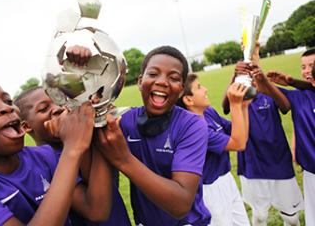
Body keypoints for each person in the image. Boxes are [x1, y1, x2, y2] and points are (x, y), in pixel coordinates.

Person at [0, 73, 99, 225]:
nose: (6, 108)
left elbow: (95, 210)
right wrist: (72, 149)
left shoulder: (45, 156)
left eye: (8, 101)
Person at [96, 46, 211, 225]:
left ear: (181, 89)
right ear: (140, 82)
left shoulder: (192, 125)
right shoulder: (125, 122)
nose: (162, 82)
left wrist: (124, 160)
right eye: (153, 74)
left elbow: (181, 205)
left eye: (173, 78)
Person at [14, 85, 131, 226]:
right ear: (26, 126)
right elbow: (95, 209)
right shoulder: (43, 164)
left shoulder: (89, 139)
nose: (58, 109)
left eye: (59, 102)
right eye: (43, 109)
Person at [222, 58, 304, 226]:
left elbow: (285, 107)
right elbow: (225, 106)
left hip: (278, 160)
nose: (248, 78)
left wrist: (264, 81)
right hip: (252, 162)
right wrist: (234, 74)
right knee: (259, 215)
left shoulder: (268, 92)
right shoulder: (238, 97)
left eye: (250, 74)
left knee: (292, 218)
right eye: (243, 75)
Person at [177, 73, 251, 226]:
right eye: (199, 87)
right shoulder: (193, 129)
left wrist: (243, 106)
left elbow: (238, 133)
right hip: (209, 189)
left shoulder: (208, 112)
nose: (205, 89)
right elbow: (238, 144)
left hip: (226, 179)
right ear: (188, 100)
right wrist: (235, 105)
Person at [255, 48, 315, 225]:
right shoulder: (300, 97)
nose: (307, 71)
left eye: (312, 66)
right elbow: (263, 88)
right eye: (303, 66)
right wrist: (258, 69)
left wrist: (291, 81)